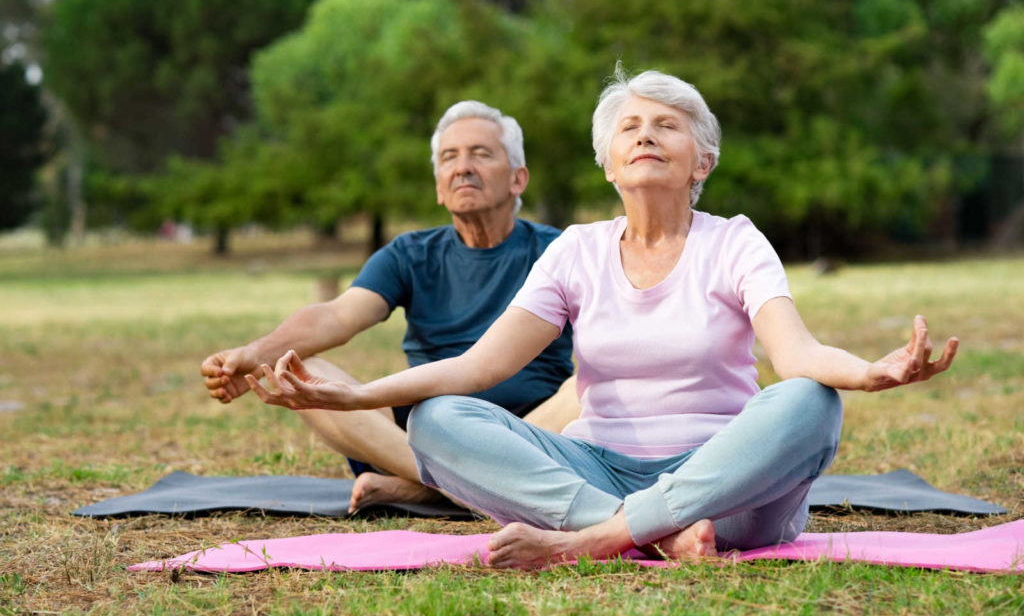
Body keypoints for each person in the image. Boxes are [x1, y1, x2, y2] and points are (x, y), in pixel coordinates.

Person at [245, 67, 958, 568]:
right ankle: (640, 532)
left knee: (810, 403)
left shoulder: (735, 240)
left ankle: (594, 540)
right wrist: (358, 394)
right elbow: (479, 368)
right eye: (630, 126)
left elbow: (795, 355)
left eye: (667, 126)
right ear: (608, 162)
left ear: (701, 157)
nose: (646, 134)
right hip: (600, 473)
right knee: (438, 418)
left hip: (727, 486)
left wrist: (871, 371)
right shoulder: (578, 251)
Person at [200, 100, 577, 513]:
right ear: (438, 185)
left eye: (481, 154)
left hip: (533, 428)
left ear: (518, 179)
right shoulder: (409, 254)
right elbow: (338, 316)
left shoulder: (561, 250)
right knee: (301, 369)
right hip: (424, 432)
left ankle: (427, 489)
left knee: (586, 389)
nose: (463, 167)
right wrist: (255, 354)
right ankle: (462, 486)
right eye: (449, 157)